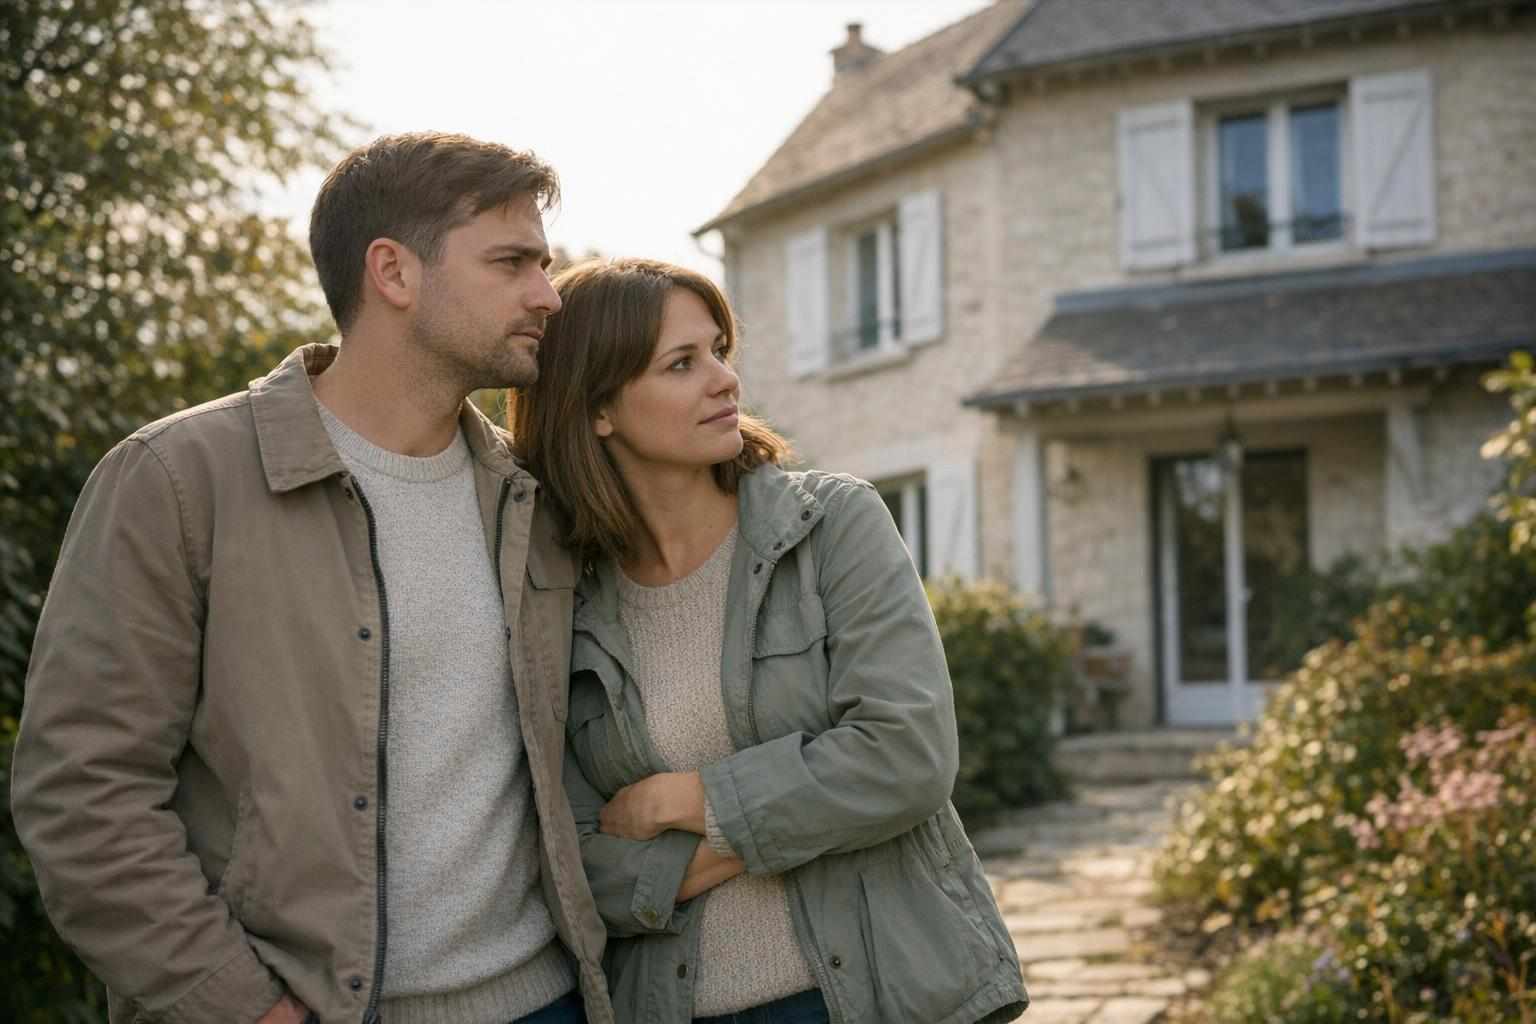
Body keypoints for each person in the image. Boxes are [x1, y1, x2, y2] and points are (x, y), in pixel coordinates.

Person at [11, 132, 612, 1024]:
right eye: (512, 262)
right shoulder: (178, 478)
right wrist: (247, 1008)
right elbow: (83, 792)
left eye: (545, 263)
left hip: (543, 1003)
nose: (546, 295)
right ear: (393, 273)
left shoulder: (533, 499)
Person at [509, 257, 1028, 1024]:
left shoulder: (833, 526)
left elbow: (907, 754)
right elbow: (575, 859)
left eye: (719, 349)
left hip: (878, 997)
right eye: (682, 363)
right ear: (597, 410)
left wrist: (691, 800)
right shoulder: (565, 600)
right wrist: (783, 826)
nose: (724, 379)